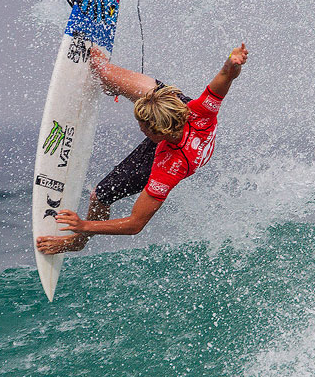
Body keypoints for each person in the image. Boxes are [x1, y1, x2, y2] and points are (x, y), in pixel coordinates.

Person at [35, 42, 250, 254]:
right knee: (106, 73)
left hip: (178, 151)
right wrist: (233, 62)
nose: (139, 129)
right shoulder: (198, 110)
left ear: (157, 134)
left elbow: (135, 224)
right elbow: (226, 75)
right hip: (170, 111)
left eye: (143, 127)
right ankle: (107, 77)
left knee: (99, 196)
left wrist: (84, 225)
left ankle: (78, 242)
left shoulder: (168, 167)